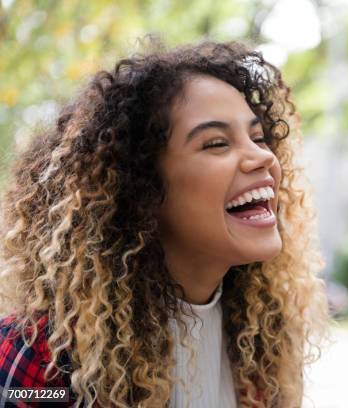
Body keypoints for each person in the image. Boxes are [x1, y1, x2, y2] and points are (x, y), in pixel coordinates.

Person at [0, 39, 330, 407]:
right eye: (217, 143)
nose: (263, 158)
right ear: (139, 189)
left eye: (258, 137)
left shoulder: (264, 343)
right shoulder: (42, 355)